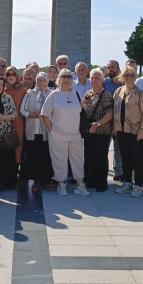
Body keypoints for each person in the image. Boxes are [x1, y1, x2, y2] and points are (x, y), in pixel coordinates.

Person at [41, 68, 90, 196]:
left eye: (69, 76)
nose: (66, 79)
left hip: (75, 134)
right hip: (58, 134)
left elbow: (81, 111)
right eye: (63, 76)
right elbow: (45, 114)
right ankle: (61, 184)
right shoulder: (53, 94)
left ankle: (80, 184)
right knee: (59, 160)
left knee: (78, 160)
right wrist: (51, 130)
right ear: (59, 79)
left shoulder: (76, 94)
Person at [113, 66, 143, 197]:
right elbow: (115, 110)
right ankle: (128, 182)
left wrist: (142, 129)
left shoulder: (140, 93)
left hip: (135, 131)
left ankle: (138, 184)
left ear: (135, 77)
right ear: (123, 77)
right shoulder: (118, 91)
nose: (129, 78)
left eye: (132, 75)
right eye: (126, 75)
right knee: (125, 157)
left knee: (137, 158)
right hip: (121, 130)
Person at [81, 68, 115, 192]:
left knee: (101, 156)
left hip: (102, 131)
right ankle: (92, 179)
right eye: (93, 77)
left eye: (97, 78)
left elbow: (110, 114)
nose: (94, 80)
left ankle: (102, 181)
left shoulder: (106, 94)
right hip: (90, 131)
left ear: (102, 80)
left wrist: (98, 124)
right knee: (90, 156)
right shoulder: (88, 93)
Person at [21, 72, 53, 192]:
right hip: (33, 130)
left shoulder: (51, 93)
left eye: (43, 80)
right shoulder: (30, 93)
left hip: (46, 131)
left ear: (47, 81)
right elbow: (22, 110)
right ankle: (35, 181)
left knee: (46, 156)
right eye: (39, 80)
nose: (41, 83)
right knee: (34, 156)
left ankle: (46, 180)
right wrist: (32, 115)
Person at [103, 60, 124, 181]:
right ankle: (103, 172)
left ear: (118, 68)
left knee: (118, 148)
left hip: (120, 120)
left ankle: (118, 172)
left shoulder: (123, 82)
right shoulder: (104, 83)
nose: (111, 69)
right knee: (104, 147)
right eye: (109, 67)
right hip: (106, 119)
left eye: (113, 67)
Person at [5, 66, 27, 171]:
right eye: (8, 74)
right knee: (6, 144)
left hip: (18, 121)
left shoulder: (22, 89)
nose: (11, 76)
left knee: (18, 144)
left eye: (13, 74)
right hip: (5, 121)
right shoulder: (2, 88)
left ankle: (17, 167)